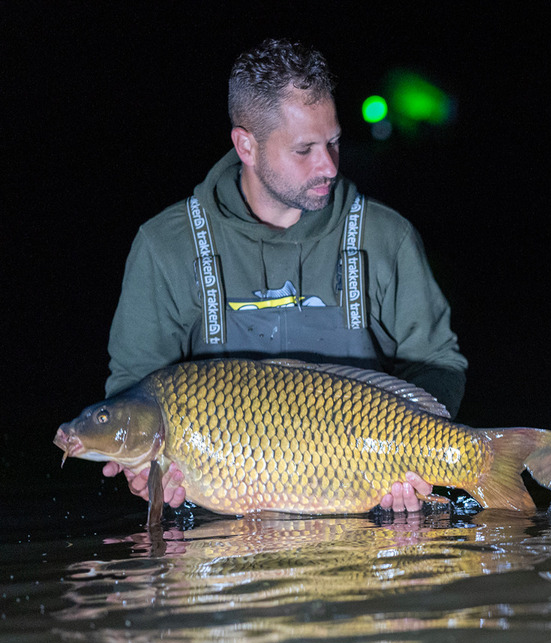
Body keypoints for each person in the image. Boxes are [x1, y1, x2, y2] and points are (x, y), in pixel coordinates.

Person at [102, 38, 467, 514]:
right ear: (246, 146)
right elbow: (135, 393)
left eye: (333, 141)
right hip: (224, 528)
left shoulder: (385, 237)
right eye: (304, 149)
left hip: (365, 507)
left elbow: (438, 362)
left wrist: (416, 447)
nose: (328, 165)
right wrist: (143, 471)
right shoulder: (166, 246)